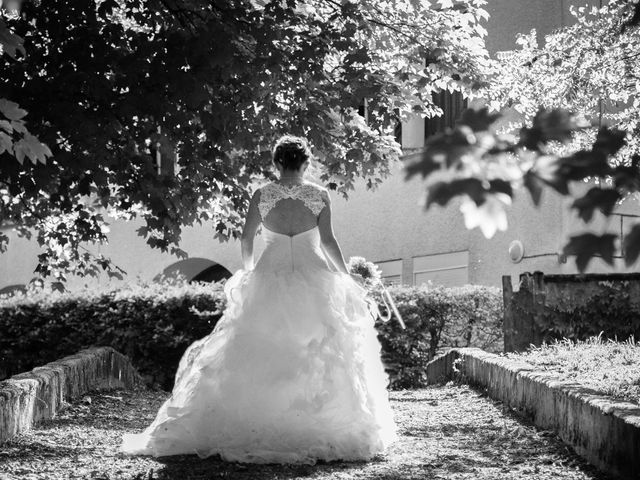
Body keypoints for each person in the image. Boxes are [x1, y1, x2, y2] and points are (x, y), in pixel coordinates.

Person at [120, 135, 398, 464]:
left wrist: (250, 272)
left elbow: (247, 238)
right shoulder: (318, 196)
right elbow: (328, 242)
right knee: (317, 342)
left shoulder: (262, 195)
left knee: (260, 345)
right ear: (306, 163)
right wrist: (343, 275)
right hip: (314, 276)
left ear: (277, 163)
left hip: (269, 275)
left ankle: (258, 419)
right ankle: (317, 423)